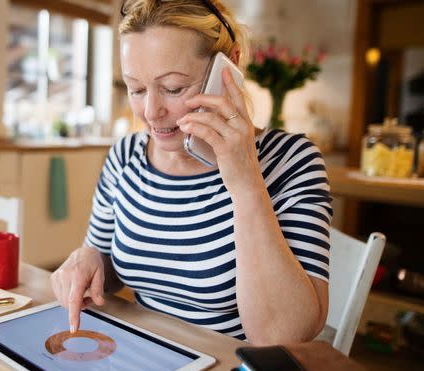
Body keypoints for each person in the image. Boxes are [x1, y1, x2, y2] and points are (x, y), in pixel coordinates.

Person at [51, 0, 331, 344]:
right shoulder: (125, 156)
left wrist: (245, 183)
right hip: (148, 359)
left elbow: (284, 336)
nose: (151, 112)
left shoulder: (291, 160)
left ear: (228, 69)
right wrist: (89, 258)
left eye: (173, 88)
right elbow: (106, 267)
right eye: (136, 88)